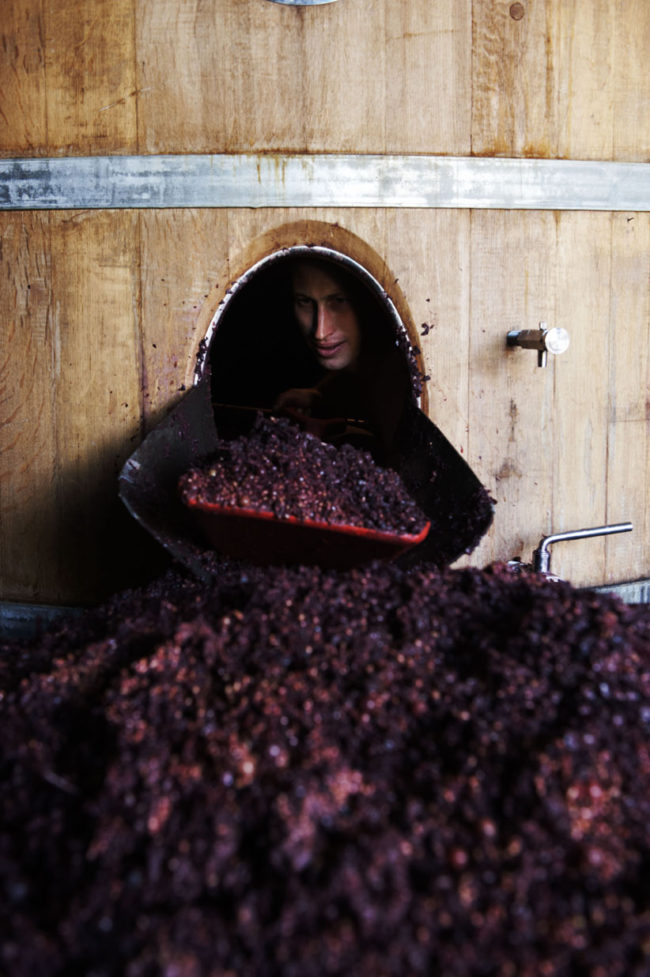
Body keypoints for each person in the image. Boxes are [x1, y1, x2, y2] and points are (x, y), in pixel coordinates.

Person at [274, 257, 414, 467]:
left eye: (339, 301)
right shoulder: (369, 366)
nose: (320, 331)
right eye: (304, 301)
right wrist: (318, 395)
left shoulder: (398, 382)